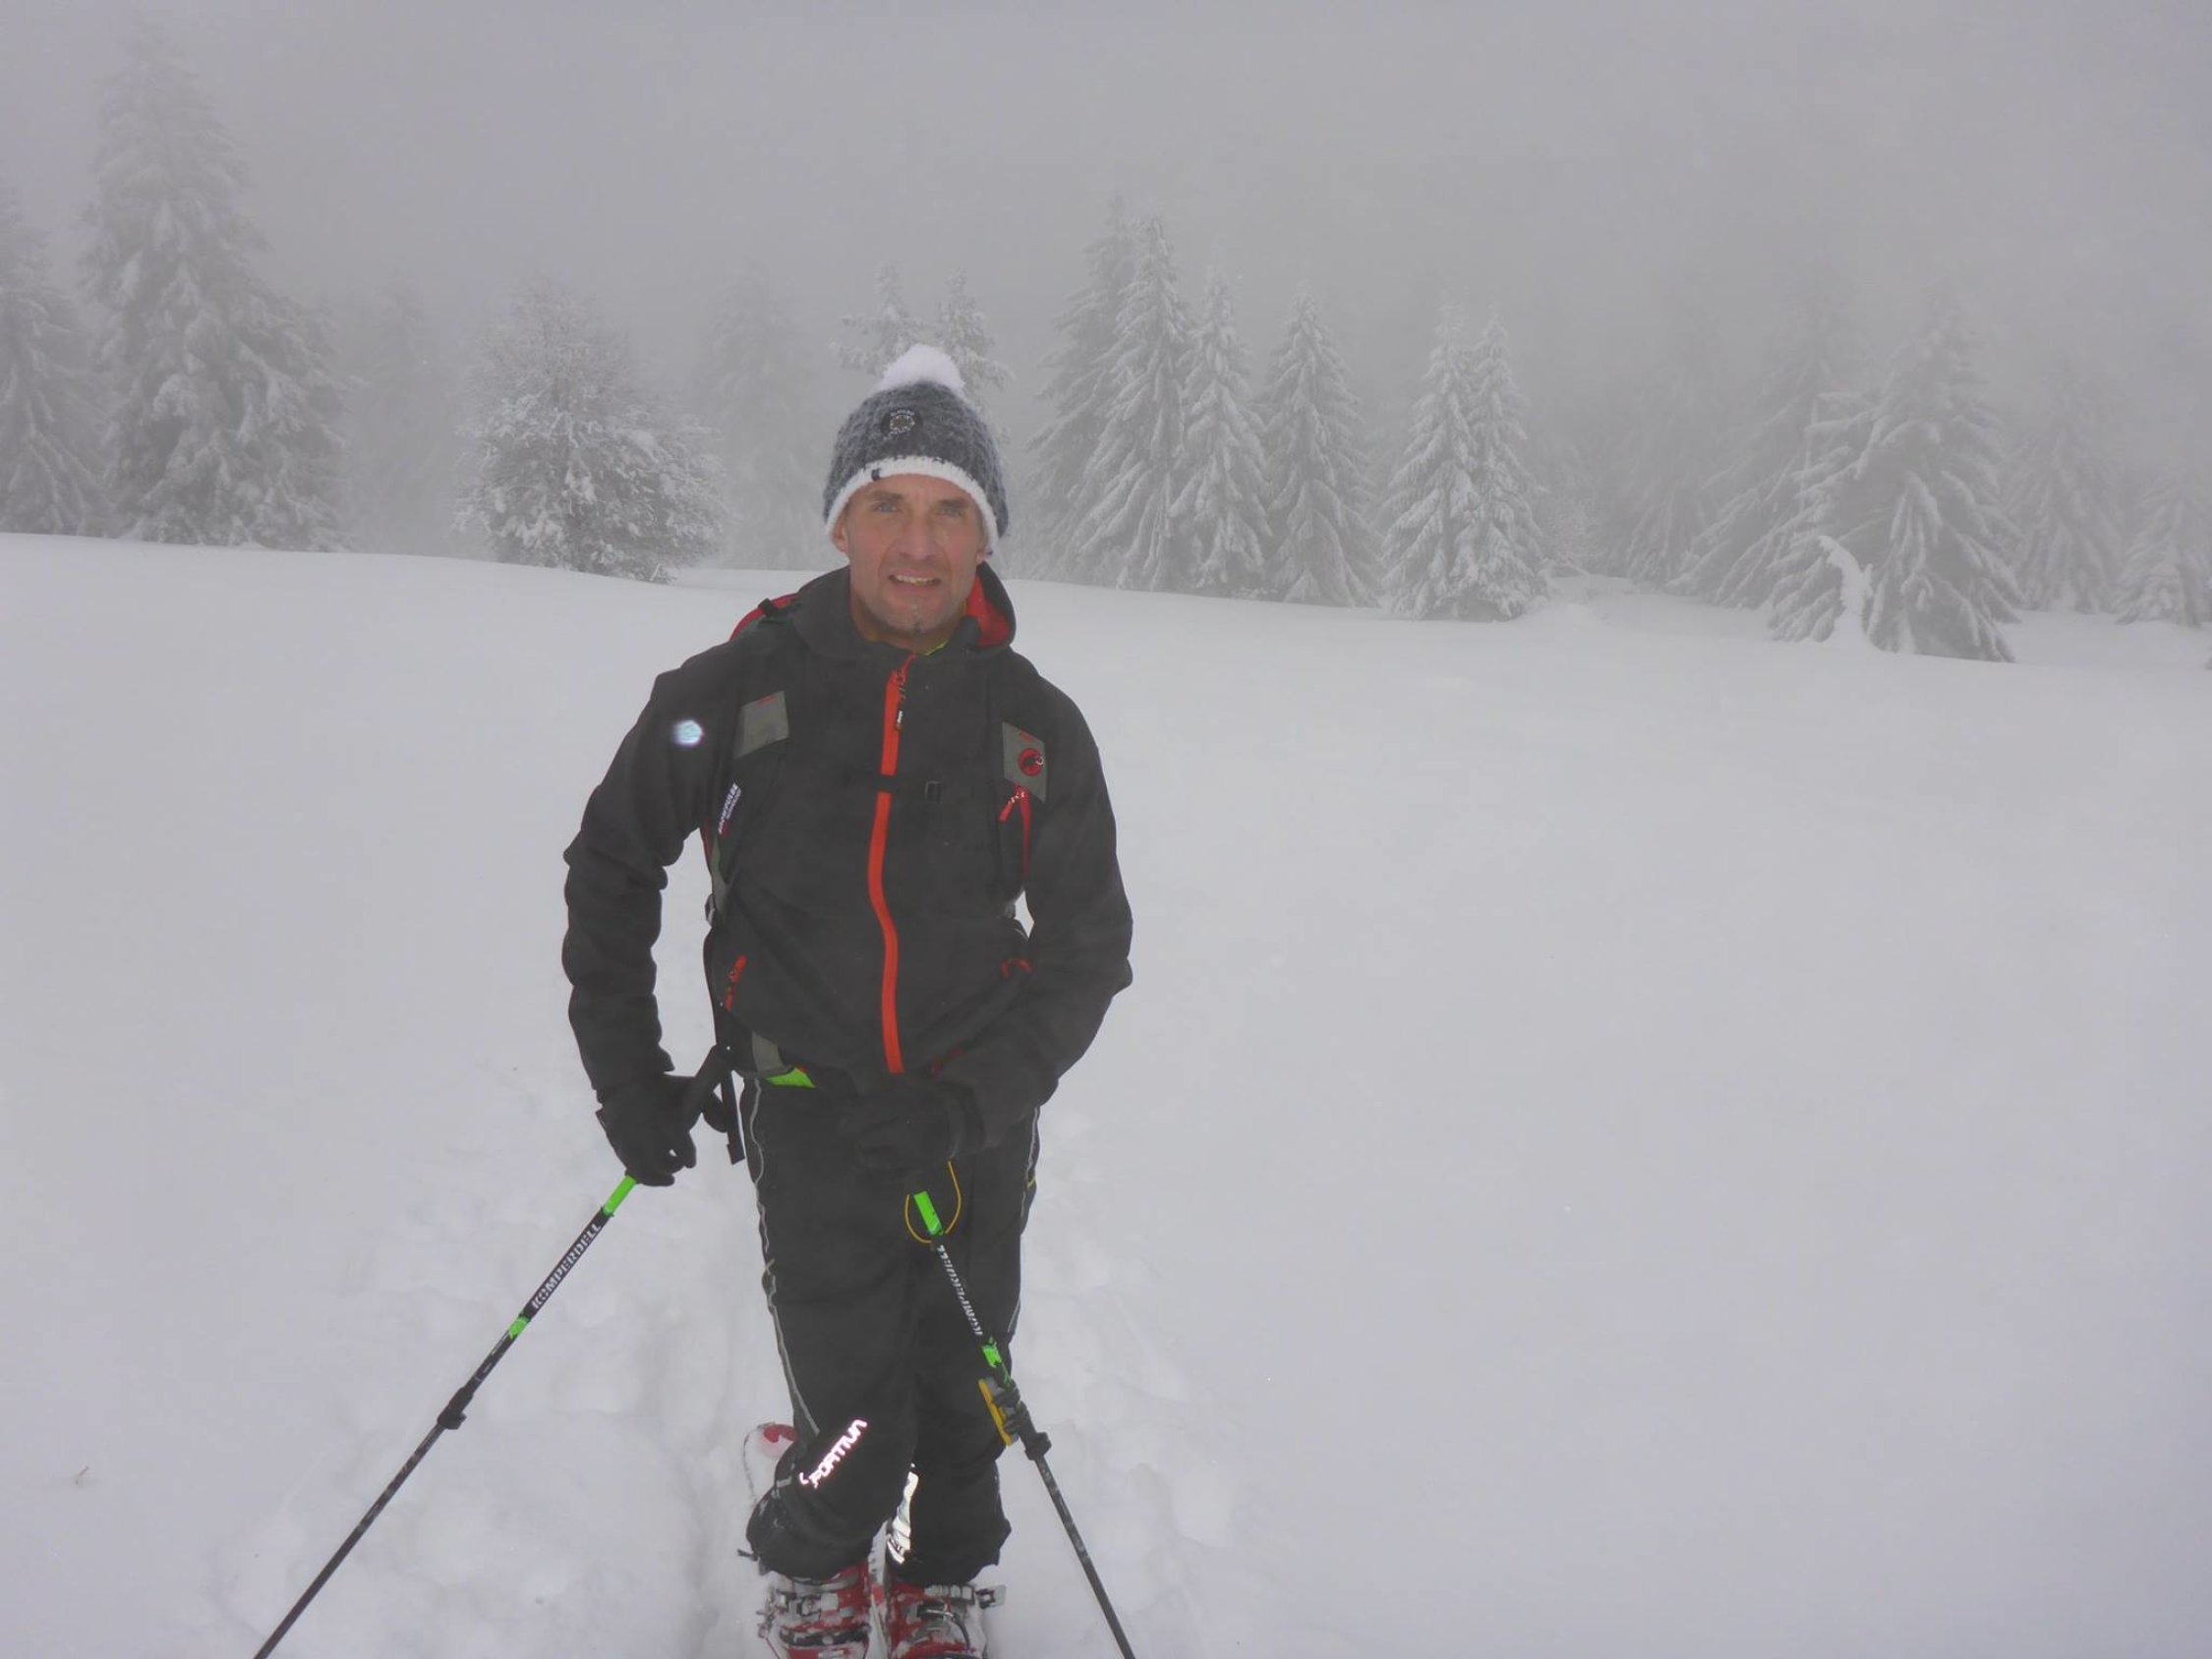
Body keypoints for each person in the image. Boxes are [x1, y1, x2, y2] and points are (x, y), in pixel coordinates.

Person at [560, 346, 1134, 1659]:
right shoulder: (731, 692)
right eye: (888, 506)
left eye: (948, 512)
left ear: (984, 534)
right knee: (857, 1422)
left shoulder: (1033, 727)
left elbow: (1088, 949)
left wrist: (971, 1103)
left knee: (969, 1395)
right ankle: (812, 1556)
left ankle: (940, 1575)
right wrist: (628, 1073)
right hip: (810, 1111)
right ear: (839, 524)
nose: (917, 545)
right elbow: (613, 864)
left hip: (969, 1123)